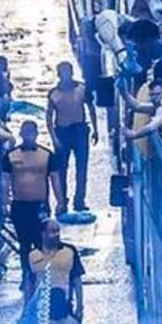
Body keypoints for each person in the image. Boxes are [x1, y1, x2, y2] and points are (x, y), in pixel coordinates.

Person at [0, 120, 62, 263]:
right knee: (24, 242)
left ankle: (42, 272)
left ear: (36, 135)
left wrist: (60, 201)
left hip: (40, 205)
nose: (28, 137)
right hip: (20, 205)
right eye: (26, 133)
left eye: (31, 133)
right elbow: (5, 180)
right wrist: (4, 202)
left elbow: (55, 179)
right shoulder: (11, 156)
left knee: (41, 240)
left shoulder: (46, 155)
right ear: (21, 134)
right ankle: (27, 273)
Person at [46, 61, 99, 213]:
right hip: (62, 132)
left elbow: (91, 108)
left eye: (68, 72)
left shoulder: (82, 88)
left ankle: (79, 200)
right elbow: (49, 118)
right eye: (63, 73)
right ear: (59, 75)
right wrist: (54, 138)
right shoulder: (53, 94)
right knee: (61, 168)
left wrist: (95, 129)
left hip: (80, 130)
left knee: (82, 168)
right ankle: (62, 201)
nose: (66, 76)